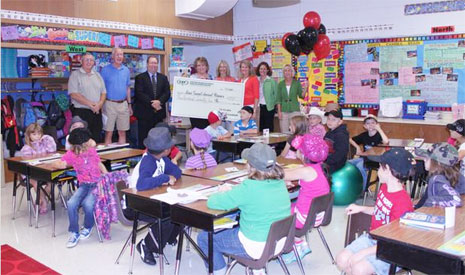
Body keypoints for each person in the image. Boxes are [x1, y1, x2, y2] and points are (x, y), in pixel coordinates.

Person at [197, 143, 291, 275]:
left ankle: (218, 271)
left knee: (204, 238)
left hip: (255, 245)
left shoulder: (248, 187)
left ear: (250, 166)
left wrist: (222, 192)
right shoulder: (280, 182)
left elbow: (213, 202)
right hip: (279, 241)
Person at [336, 148, 415, 275]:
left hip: (391, 249)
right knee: (342, 260)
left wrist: (363, 253)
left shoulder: (403, 203)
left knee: (358, 268)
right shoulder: (384, 187)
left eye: (379, 167)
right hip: (373, 239)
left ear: (388, 169)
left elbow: (396, 241)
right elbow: (380, 211)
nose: (378, 170)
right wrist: (361, 208)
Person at [127, 127, 181, 265]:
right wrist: (164, 178)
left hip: (152, 200)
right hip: (135, 204)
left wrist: (170, 176)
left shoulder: (162, 159)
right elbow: (141, 184)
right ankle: (146, 245)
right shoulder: (148, 162)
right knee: (167, 217)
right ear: (166, 150)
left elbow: (177, 171)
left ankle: (167, 237)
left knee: (181, 212)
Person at [53, 128, 108, 248]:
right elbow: (59, 163)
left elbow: (99, 163)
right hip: (84, 184)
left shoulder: (91, 150)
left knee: (88, 204)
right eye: (87, 140)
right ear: (82, 144)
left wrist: (106, 176)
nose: (90, 141)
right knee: (71, 203)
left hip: (97, 183)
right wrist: (60, 164)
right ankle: (74, 232)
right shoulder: (72, 154)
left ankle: (88, 226)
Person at [282, 134, 330, 264]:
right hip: (317, 215)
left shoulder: (306, 171)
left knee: (275, 213)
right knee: (288, 205)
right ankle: (299, 242)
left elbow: (281, 175)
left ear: (303, 154)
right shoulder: (318, 166)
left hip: (305, 218)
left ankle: (296, 244)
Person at [134, 56, 171, 149]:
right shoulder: (140, 78)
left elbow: (167, 93)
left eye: (155, 63)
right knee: (144, 139)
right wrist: (152, 103)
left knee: (158, 140)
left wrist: (159, 102)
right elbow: (139, 93)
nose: (153, 65)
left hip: (158, 115)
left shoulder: (163, 78)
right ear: (147, 64)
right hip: (144, 115)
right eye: (151, 63)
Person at [68, 52, 106, 142]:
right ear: (81, 61)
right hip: (81, 112)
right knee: (82, 139)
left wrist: (99, 104)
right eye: (86, 60)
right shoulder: (75, 75)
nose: (89, 62)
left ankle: (94, 156)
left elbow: (103, 92)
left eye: (91, 60)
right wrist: (90, 104)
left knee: (96, 138)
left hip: (96, 111)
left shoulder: (97, 75)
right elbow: (74, 94)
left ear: (94, 62)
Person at [20, 123, 57, 214]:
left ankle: (41, 198)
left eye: (39, 134)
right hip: (30, 173)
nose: (37, 137)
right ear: (29, 135)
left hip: (43, 171)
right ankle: (43, 202)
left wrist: (48, 138)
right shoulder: (26, 148)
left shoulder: (44, 144)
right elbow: (27, 164)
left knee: (52, 181)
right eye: (34, 134)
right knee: (36, 182)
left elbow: (52, 151)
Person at [414, 143, 463, 208]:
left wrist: (430, 202)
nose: (424, 160)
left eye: (427, 158)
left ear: (437, 163)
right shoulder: (456, 174)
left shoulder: (437, 180)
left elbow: (456, 200)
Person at [100, 48, 132, 145]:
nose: (119, 57)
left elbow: (128, 88)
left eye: (121, 55)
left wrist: (129, 104)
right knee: (108, 132)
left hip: (123, 104)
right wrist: (101, 104)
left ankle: (121, 156)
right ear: (112, 56)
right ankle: (108, 158)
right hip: (109, 104)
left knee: (122, 132)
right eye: (117, 55)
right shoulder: (105, 70)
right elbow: (101, 89)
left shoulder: (126, 70)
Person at [349, 115, 389, 187]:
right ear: (364, 126)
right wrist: (357, 147)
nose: (370, 125)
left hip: (375, 160)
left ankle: (364, 188)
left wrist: (379, 129)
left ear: (377, 124)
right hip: (364, 158)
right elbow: (350, 139)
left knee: (359, 166)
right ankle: (355, 186)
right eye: (368, 123)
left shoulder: (379, 135)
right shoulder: (363, 135)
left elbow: (386, 142)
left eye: (373, 123)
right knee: (348, 164)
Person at [277, 65, 305, 134]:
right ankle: (286, 145)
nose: (287, 72)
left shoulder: (297, 83)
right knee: (284, 132)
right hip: (284, 111)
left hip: (295, 110)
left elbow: (302, 96)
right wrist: (279, 112)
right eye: (285, 71)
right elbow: (278, 99)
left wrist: (306, 88)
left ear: (292, 72)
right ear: (283, 73)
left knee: (296, 131)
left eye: (289, 70)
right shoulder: (280, 84)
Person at [190, 57, 213, 129]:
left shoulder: (212, 78)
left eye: (203, 65)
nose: (201, 67)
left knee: (209, 132)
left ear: (206, 66)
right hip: (195, 111)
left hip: (209, 110)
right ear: (196, 67)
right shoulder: (191, 78)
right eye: (198, 65)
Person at [324, 109, 349, 173]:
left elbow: (340, 154)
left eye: (333, 120)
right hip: (327, 161)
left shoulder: (341, 135)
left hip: (336, 165)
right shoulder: (329, 133)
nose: (330, 121)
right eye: (328, 119)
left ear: (340, 122)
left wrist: (325, 161)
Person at [256, 62, 278, 132]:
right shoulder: (256, 80)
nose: (262, 70)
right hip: (258, 107)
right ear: (258, 70)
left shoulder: (271, 81)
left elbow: (276, 95)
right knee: (259, 127)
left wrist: (273, 104)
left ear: (268, 70)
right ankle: (260, 143)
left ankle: (269, 143)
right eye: (261, 69)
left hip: (269, 107)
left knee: (268, 127)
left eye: (264, 69)